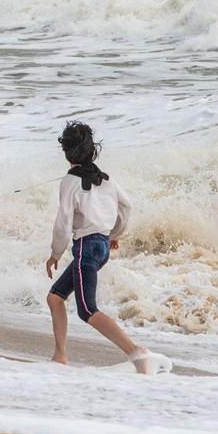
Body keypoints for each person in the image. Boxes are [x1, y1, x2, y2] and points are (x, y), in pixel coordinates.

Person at [45, 121, 160, 374]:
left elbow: (63, 223)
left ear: (66, 152)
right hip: (101, 245)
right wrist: (114, 233)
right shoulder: (106, 179)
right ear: (91, 151)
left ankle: (136, 351)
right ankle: (60, 356)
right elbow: (126, 206)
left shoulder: (69, 182)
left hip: (85, 246)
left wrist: (55, 253)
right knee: (55, 298)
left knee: (87, 310)